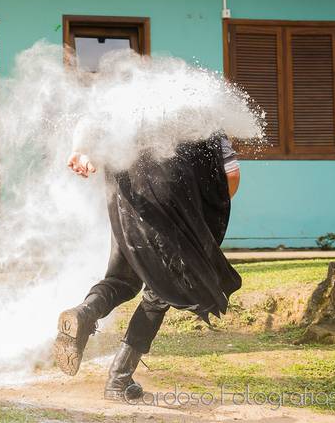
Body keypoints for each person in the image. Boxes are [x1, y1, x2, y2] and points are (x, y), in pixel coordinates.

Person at [54, 131, 242, 401]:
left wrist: (81, 150)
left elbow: (97, 122)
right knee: (160, 294)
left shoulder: (134, 109)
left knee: (121, 279)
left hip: (127, 203)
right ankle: (119, 380)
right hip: (169, 211)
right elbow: (231, 174)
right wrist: (204, 214)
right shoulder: (202, 119)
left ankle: (83, 314)